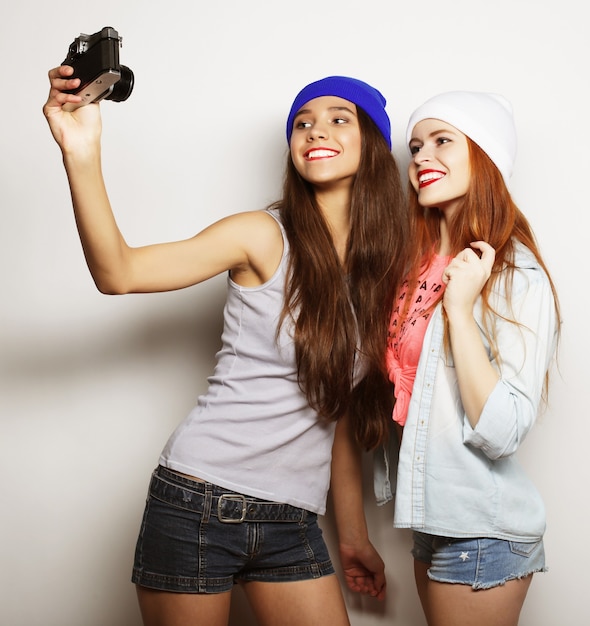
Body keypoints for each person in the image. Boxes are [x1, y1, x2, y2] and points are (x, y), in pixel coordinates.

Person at [43, 70, 409, 626]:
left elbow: (330, 414)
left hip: (293, 521)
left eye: (339, 120)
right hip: (199, 501)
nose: (315, 132)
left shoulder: (380, 275)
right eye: (303, 124)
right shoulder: (262, 236)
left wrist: (353, 537)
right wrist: (81, 151)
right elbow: (119, 272)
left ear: (375, 147)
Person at [379, 91, 561, 626]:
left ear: (484, 155)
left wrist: (458, 309)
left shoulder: (514, 275)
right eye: (415, 147)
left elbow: (503, 430)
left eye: (442, 141)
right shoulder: (412, 268)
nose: (420, 158)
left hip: (483, 527)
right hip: (431, 521)